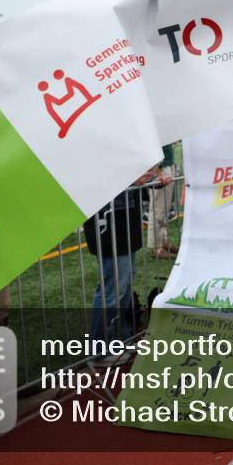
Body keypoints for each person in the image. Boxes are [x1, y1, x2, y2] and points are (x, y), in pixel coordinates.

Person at [85, 167, 166, 361]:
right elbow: (97, 180)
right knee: (113, 289)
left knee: (124, 285)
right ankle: (100, 349)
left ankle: (120, 340)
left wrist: (151, 178)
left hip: (123, 217)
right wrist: (134, 180)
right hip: (109, 219)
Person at [147, 144, 178, 259]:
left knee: (163, 209)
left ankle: (163, 242)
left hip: (166, 166)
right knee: (157, 210)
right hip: (160, 168)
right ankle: (156, 247)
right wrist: (157, 171)